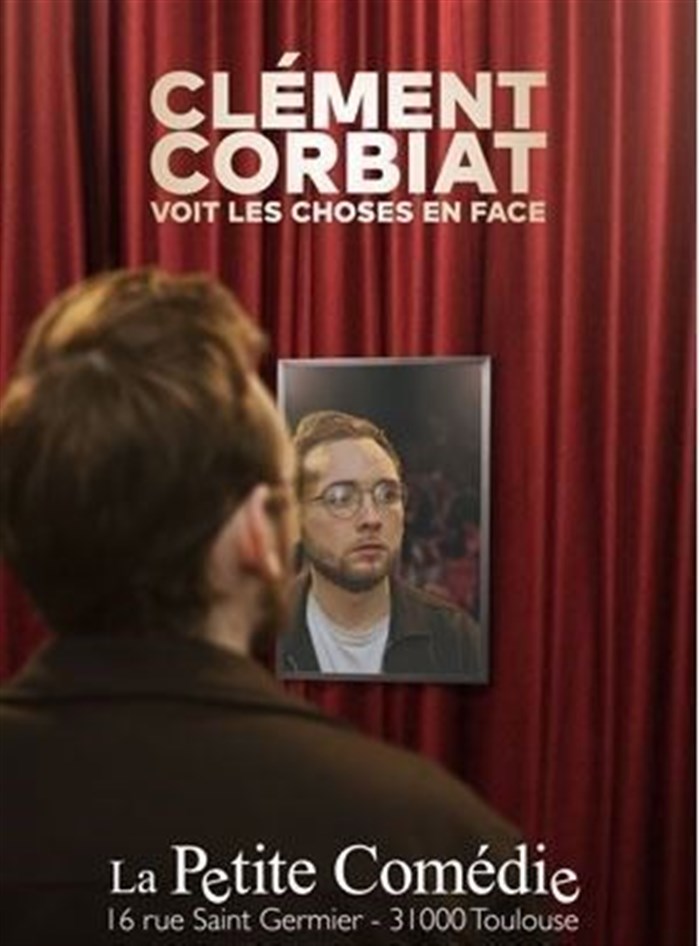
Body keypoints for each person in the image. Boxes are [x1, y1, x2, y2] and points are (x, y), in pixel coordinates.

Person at [0, 270, 542, 945]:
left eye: (387, 495)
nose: (369, 516)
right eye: (331, 497)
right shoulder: (443, 856)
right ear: (260, 531)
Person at [279, 411, 485, 681]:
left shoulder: (458, 640)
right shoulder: (258, 635)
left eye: (387, 495)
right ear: (295, 518)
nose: (372, 519)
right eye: (340, 498)